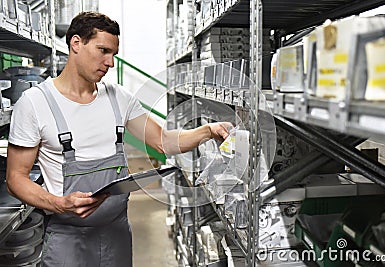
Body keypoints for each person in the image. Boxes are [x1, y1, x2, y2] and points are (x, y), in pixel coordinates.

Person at [6, 11, 231, 266]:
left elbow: (162, 141)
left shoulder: (118, 98)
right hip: (67, 239)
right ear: (76, 43)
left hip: (117, 234)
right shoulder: (35, 103)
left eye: (114, 54)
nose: (110, 63)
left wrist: (208, 131)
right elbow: (16, 178)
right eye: (103, 50)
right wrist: (59, 203)